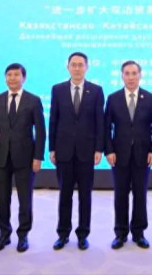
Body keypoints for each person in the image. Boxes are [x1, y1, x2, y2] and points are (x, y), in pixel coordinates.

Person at [0, 63, 45, 253]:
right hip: (1, 157)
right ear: (5, 78)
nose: (12, 78)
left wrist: (38, 157)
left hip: (25, 158)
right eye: (9, 74)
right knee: (1, 199)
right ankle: (4, 234)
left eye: (16, 75)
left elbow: (40, 131)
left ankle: (23, 235)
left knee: (25, 199)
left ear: (23, 78)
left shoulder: (33, 100)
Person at [49, 52, 104, 250]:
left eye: (81, 65)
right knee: (65, 194)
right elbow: (53, 120)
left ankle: (83, 234)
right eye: (74, 65)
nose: (77, 68)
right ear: (68, 67)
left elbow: (100, 121)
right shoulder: (58, 89)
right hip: (63, 151)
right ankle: (63, 234)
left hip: (86, 151)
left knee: (85, 196)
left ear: (87, 67)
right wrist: (52, 148)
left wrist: (99, 148)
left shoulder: (96, 90)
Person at [104, 60, 152, 250]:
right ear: (122, 76)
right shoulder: (113, 98)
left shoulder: (150, 98)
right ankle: (120, 233)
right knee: (120, 195)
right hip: (119, 156)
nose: (130, 77)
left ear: (140, 75)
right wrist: (109, 150)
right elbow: (106, 128)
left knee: (140, 195)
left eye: (134, 73)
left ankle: (139, 233)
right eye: (127, 73)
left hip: (142, 155)